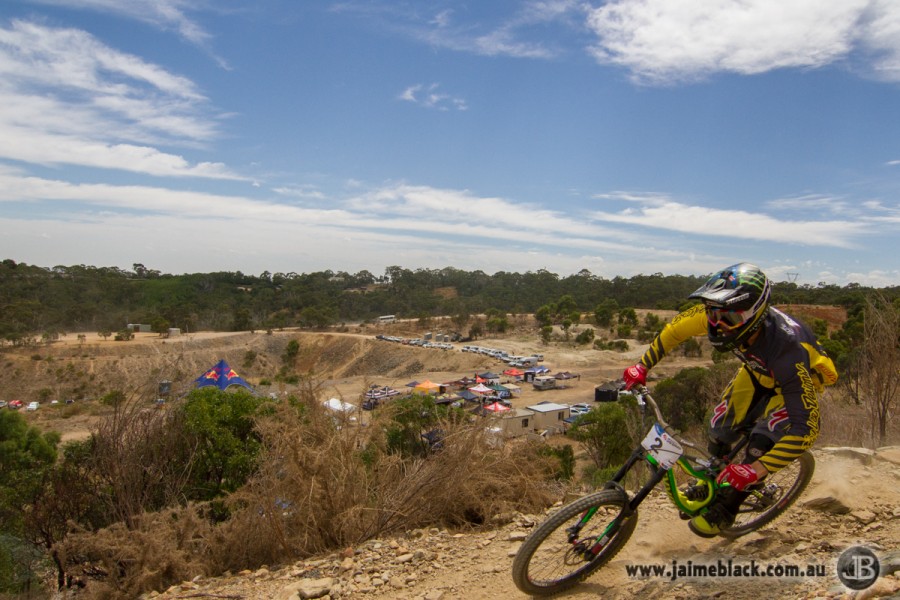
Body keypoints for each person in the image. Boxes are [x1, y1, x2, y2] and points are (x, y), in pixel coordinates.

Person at [622, 263, 837, 537]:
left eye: (730, 321)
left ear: (755, 316)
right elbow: (674, 331)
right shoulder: (720, 311)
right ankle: (716, 479)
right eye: (712, 315)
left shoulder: (788, 351)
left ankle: (728, 508)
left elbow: (806, 430)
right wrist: (643, 366)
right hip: (757, 371)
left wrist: (757, 469)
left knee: (760, 446)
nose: (718, 325)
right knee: (718, 431)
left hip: (794, 381)